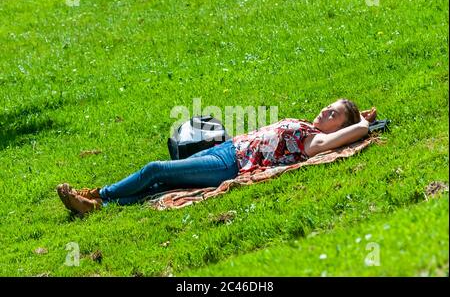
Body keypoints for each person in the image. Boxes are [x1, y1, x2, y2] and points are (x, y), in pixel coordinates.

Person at [57, 99, 377, 215]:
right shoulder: (309, 126)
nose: (325, 110)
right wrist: (356, 120)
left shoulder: (316, 141)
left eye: (333, 112)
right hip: (224, 151)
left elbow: (348, 136)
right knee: (161, 187)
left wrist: (361, 125)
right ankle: (99, 208)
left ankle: (100, 193)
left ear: (341, 126)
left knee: (156, 169)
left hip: (230, 164)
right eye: (328, 106)